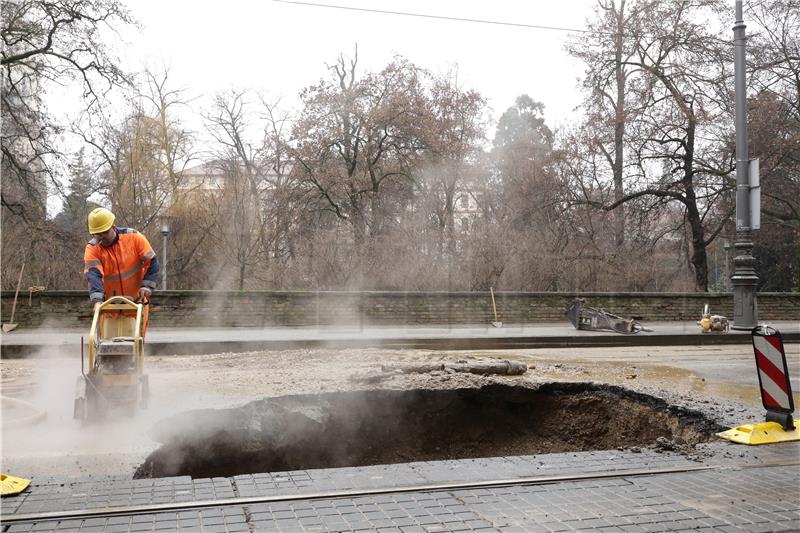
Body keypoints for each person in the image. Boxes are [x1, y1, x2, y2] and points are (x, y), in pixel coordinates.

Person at [83, 207, 160, 334]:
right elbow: (93, 275)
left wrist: (147, 286)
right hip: (109, 307)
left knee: (136, 343)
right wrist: (97, 301)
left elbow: (152, 261)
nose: (101, 237)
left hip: (136, 302)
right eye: (97, 234)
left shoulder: (134, 238)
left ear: (113, 227)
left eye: (104, 232)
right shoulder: (92, 249)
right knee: (107, 344)